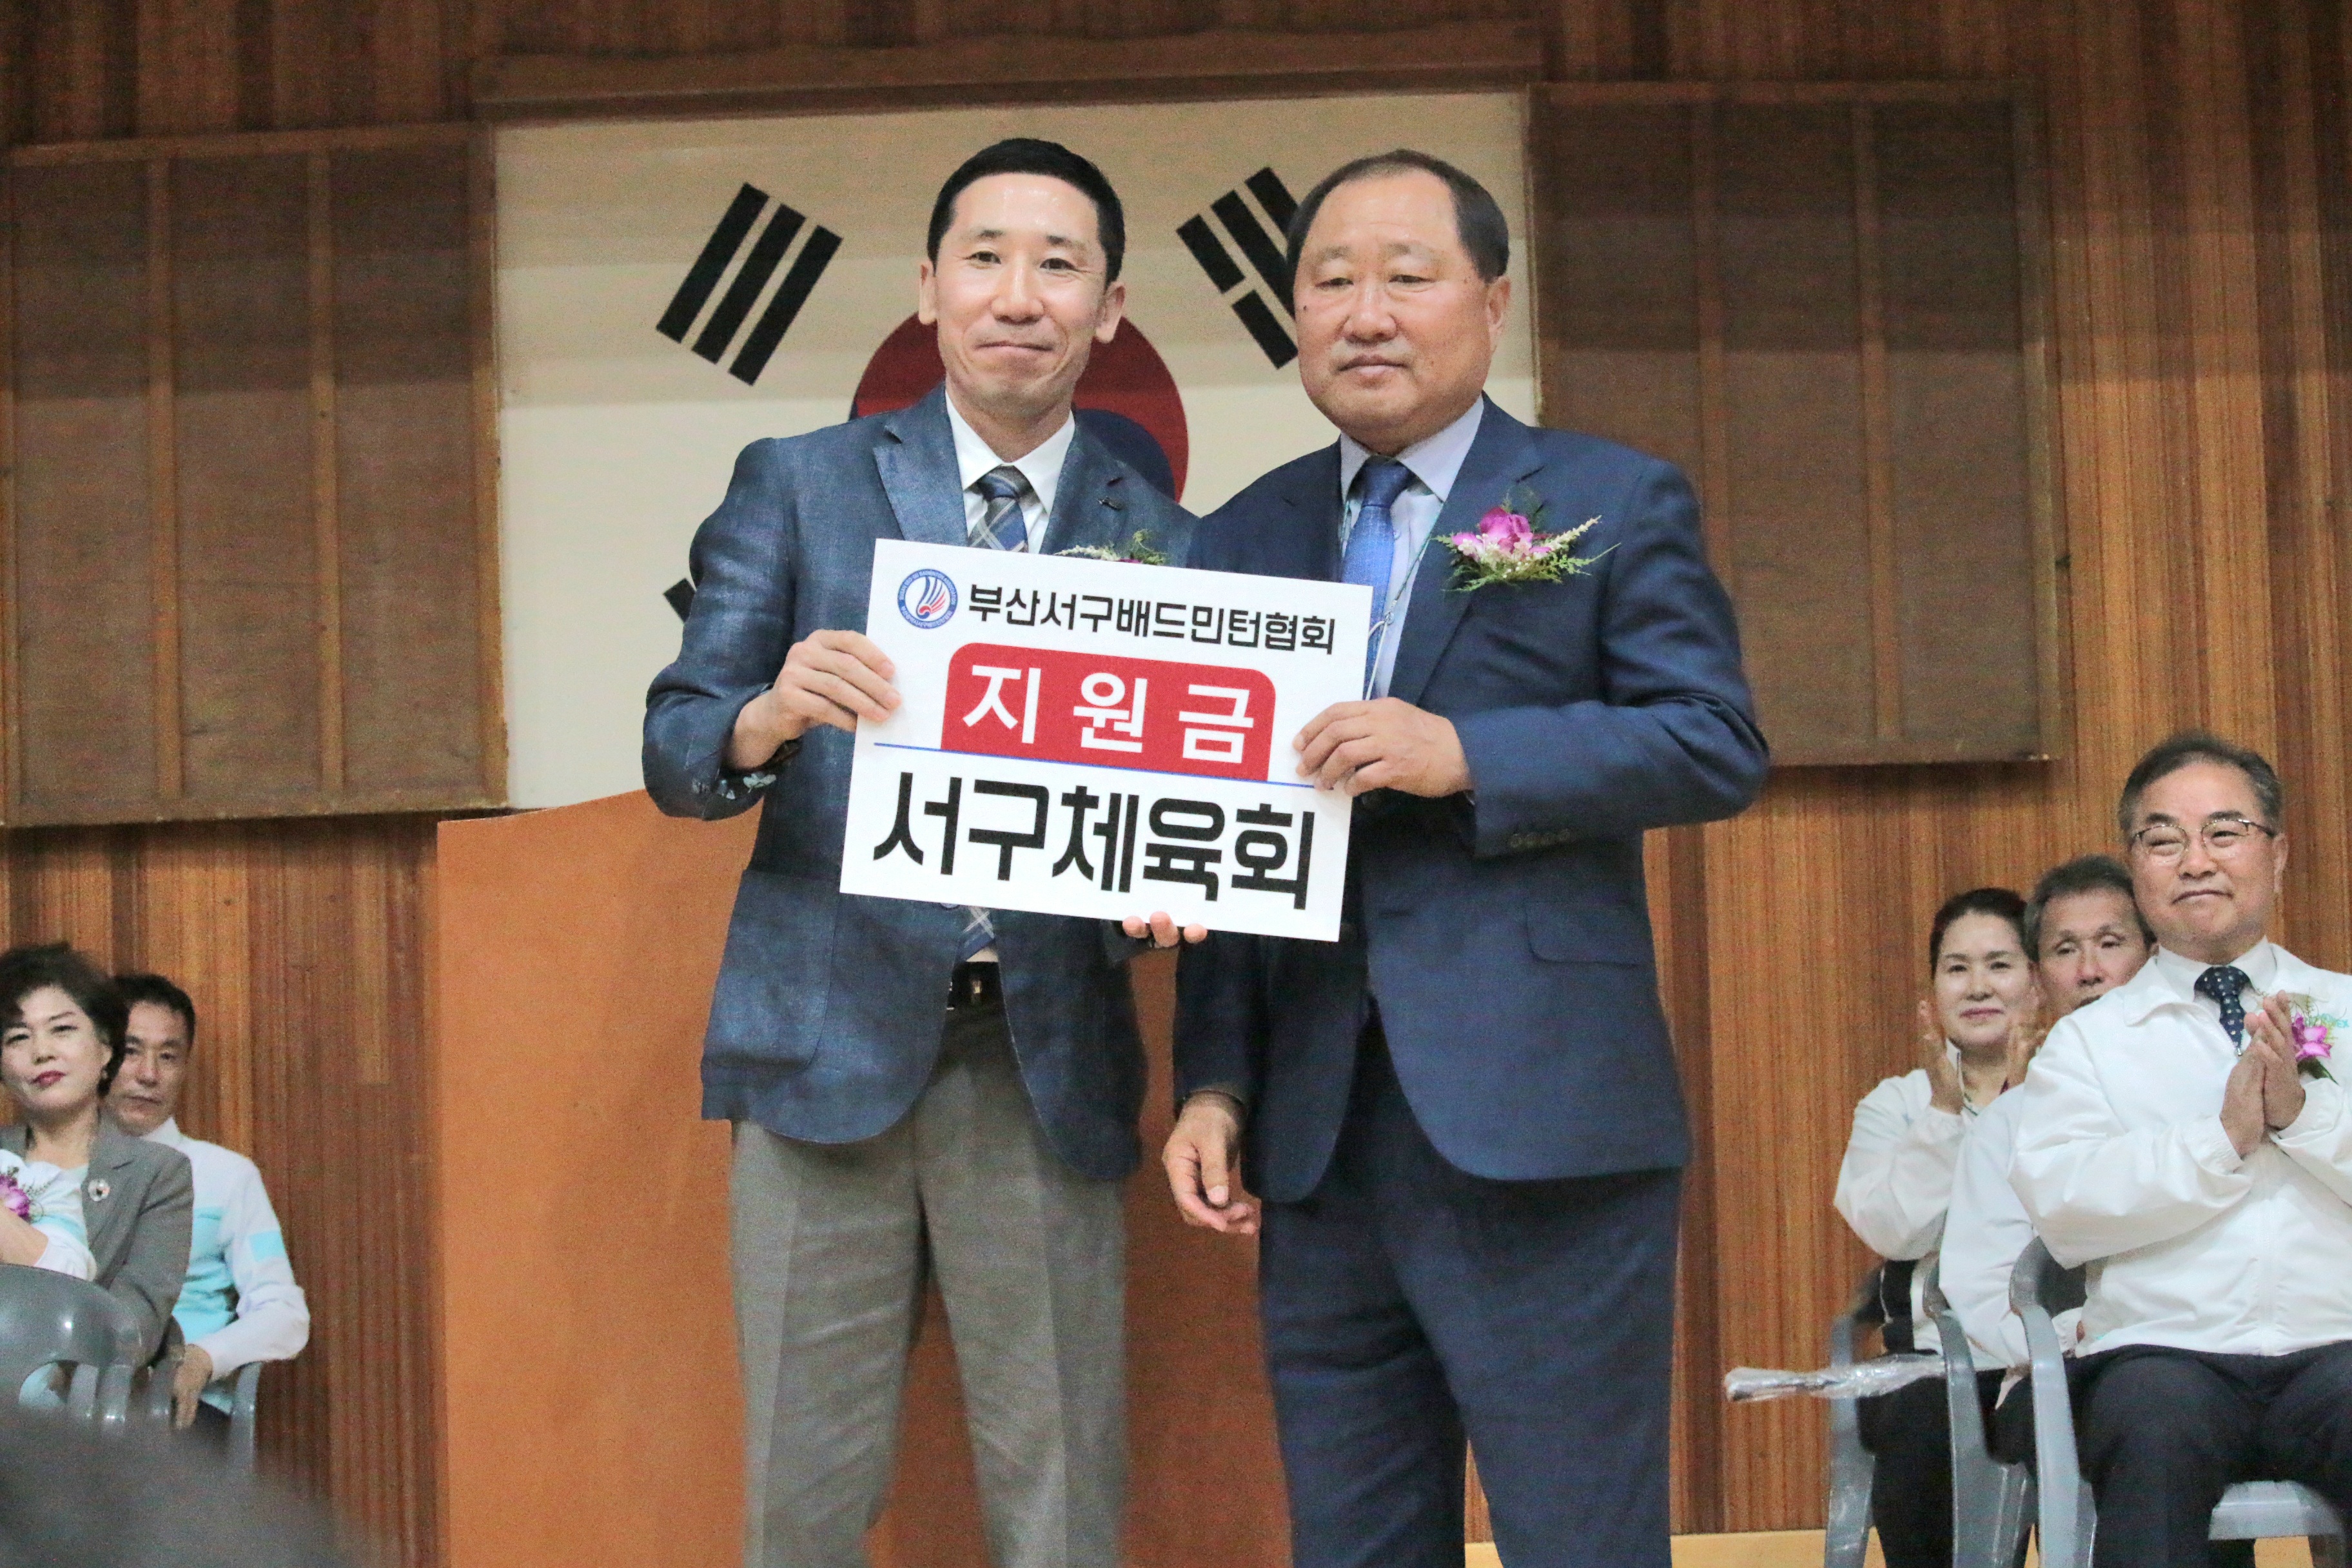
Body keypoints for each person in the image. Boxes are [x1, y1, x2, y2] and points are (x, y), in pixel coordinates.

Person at [1165, 149, 1766, 1568]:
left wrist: (1470, 754)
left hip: (1543, 1122)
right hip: (1318, 1137)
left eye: (1406, 276)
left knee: (1577, 1536)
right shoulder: (1239, 536)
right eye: (1330, 281)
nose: (1365, 312)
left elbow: (1711, 740)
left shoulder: (1606, 497)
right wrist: (1215, 1076)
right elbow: (1211, 833)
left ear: (1493, 303)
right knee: (1354, 1539)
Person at [643, 138, 1195, 1568]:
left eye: (1058, 265)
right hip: (820, 1043)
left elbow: (1181, 811)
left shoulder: (1168, 542)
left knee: (1060, 1501)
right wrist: (766, 715)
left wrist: (1169, 884)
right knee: (801, 1497)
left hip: (1041, 1052)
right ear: (928, 286)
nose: (1019, 295)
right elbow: (678, 750)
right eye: (985, 257)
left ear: (1109, 308)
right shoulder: (799, 483)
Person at [2013, 732, 2352, 1568]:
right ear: (2136, 867)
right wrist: (2221, 1140)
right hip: (2166, 1355)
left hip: (2340, 1346)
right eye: (2164, 839)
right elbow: (2064, 1207)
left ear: (2278, 854)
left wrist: (2304, 1117)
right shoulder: (2088, 1042)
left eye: (2224, 833)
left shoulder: (2342, 1007)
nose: (2196, 861)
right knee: (2152, 1422)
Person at [1832, 887, 2040, 1568]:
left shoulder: (2075, 1088)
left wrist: (2022, 1102)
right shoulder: (1895, 1104)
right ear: (1930, 999)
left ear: (2038, 983)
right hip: (1933, 1360)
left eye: (2000, 964)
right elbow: (1895, 1232)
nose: (1978, 986)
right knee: (1921, 1416)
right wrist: (1946, 1114)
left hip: (2049, 1353)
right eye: (1957, 968)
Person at [1943, 858, 2151, 1393]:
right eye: (2065, 950)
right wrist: (2081, 1329)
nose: (2089, 971)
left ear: (2154, 958)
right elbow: (1981, 1294)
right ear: (2037, 980)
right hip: (2060, 1373)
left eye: (2110, 944)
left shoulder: (2207, 1098)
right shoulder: (2005, 1125)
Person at [105, 973, 310, 1440]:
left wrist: (203, 1359)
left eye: (168, 1056)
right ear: (98, 1055)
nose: (149, 1074)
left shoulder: (227, 1176)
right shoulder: (48, 1170)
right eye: (131, 1051)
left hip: (176, 1411)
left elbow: (283, 1311)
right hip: (62, 1405)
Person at [0, 944, 191, 1368]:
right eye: (18, 1037)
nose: (42, 1051)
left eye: (62, 1029)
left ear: (106, 1048)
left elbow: (135, 1329)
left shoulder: (159, 1174)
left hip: (85, 1397)